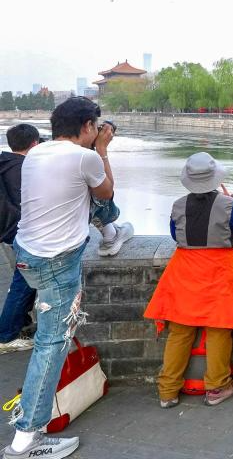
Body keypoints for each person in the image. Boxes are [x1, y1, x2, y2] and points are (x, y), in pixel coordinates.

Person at [3, 98, 115, 459]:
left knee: (48, 339)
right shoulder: (85, 157)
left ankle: (29, 428)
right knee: (51, 345)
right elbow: (106, 192)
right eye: (95, 126)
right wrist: (102, 150)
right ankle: (26, 438)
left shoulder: (36, 153)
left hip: (28, 253)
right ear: (87, 126)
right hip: (57, 261)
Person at [143, 152, 233, 408]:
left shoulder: (178, 205)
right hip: (218, 273)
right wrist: (229, 203)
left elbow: (176, 235)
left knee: (180, 331)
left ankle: (168, 391)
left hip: (184, 272)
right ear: (215, 178)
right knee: (218, 329)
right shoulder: (228, 205)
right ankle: (216, 387)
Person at [0, 124, 42, 354]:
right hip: (23, 233)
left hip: (8, 231)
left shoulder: (5, 162)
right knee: (23, 283)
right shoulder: (25, 169)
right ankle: (6, 336)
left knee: (26, 280)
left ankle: (20, 324)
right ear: (34, 144)